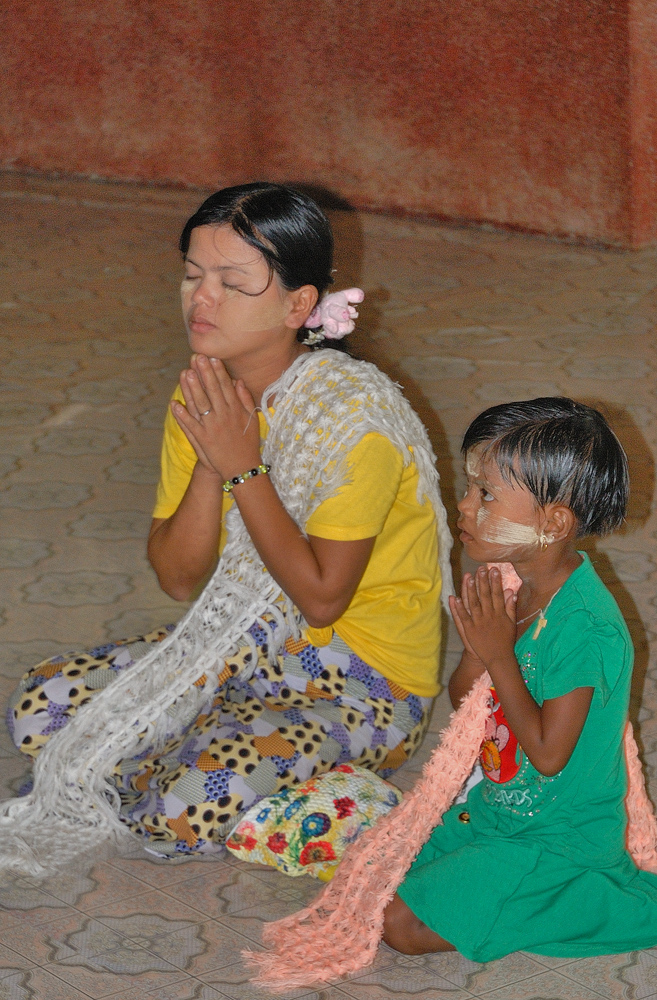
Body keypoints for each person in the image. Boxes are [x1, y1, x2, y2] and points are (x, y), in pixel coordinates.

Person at [3, 182, 453, 870]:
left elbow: (321, 599)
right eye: (191, 276)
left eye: (231, 282)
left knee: (187, 803)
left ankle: (259, 769)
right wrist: (213, 461)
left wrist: (244, 468)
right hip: (242, 648)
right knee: (42, 707)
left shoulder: (354, 425)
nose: (200, 299)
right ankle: (209, 742)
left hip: (365, 686)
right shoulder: (203, 396)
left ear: (298, 304)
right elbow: (181, 579)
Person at [380, 397, 657, 960]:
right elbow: (468, 703)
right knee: (380, 872)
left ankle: (602, 900)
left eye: (485, 494)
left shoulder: (586, 630)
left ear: (553, 522)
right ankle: (523, 892)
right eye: (469, 486)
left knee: (401, 928)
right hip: (497, 809)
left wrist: (499, 655)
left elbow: (550, 754)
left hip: (559, 838)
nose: (463, 505)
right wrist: (481, 653)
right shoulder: (512, 580)